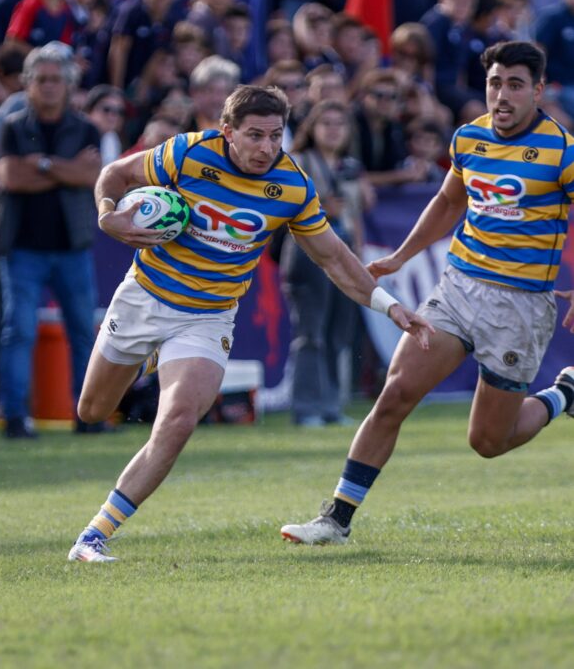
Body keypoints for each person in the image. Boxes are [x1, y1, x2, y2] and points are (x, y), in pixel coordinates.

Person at [66, 84, 433, 562]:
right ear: (228, 133)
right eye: (255, 135)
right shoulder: (189, 153)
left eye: (275, 136)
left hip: (207, 316)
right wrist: (107, 215)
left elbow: (335, 259)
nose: (266, 147)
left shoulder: (293, 186)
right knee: (93, 410)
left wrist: (389, 305)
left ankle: (93, 536)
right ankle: (147, 358)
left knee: (178, 420)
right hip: (145, 297)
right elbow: (115, 175)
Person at [279, 41, 574, 546]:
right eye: (494, 83)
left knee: (487, 441)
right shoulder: (468, 139)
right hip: (456, 289)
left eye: (515, 85)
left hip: (520, 305)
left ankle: (564, 392)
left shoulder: (562, 151)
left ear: (539, 91)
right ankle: (337, 518)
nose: (501, 95)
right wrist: (401, 256)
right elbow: (446, 202)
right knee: (394, 394)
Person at [0, 42, 102, 439]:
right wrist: (64, 168)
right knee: (18, 331)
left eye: (57, 79)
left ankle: (88, 416)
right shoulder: (13, 126)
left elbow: (91, 176)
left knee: (82, 333)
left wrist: (39, 165)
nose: (50, 86)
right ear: (27, 84)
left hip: (71, 246)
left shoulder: (86, 127)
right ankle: (15, 417)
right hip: (21, 246)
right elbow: (10, 178)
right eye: (41, 80)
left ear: (70, 84)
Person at [284, 100, 375, 427]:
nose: (334, 130)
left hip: (345, 253)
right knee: (311, 334)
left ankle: (331, 406)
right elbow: (283, 208)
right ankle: (306, 407)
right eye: (327, 124)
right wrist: (321, 208)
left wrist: (360, 255)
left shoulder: (350, 167)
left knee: (339, 334)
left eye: (340, 124)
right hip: (307, 253)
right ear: (313, 128)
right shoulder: (298, 162)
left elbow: (357, 215)